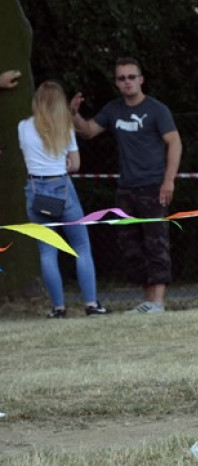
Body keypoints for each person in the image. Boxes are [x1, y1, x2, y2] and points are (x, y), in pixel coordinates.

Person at [71, 57, 181, 313]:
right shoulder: (112, 110)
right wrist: (74, 114)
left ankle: (158, 303)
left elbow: (174, 142)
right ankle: (147, 301)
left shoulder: (157, 110)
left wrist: (168, 180)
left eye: (131, 77)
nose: (127, 82)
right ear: (117, 83)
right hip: (126, 189)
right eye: (122, 78)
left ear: (141, 79)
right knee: (131, 245)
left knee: (156, 243)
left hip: (153, 186)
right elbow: (88, 131)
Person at [19, 81, 109, 317]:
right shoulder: (65, 126)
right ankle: (91, 304)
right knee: (81, 248)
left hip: (36, 190)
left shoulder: (23, 127)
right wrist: (66, 163)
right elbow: (76, 165)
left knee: (47, 252)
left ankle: (58, 308)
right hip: (63, 188)